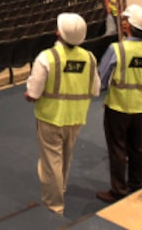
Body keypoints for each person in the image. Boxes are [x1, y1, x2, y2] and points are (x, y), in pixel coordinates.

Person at [25, 13, 100, 215]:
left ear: (58, 32)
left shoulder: (46, 57)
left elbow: (33, 93)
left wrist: (30, 95)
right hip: (76, 117)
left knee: (51, 161)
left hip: (50, 117)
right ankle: (62, 187)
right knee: (66, 157)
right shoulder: (90, 58)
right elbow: (95, 89)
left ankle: (55, 204)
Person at [96, 6, 142, 204]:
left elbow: (102, 76)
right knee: (138, 146)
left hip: (118, 105)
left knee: (117, 148)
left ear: (130, 27)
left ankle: (118, 189)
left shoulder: (117, 49)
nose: (123, 22)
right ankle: (136, 181)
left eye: (126, 21)